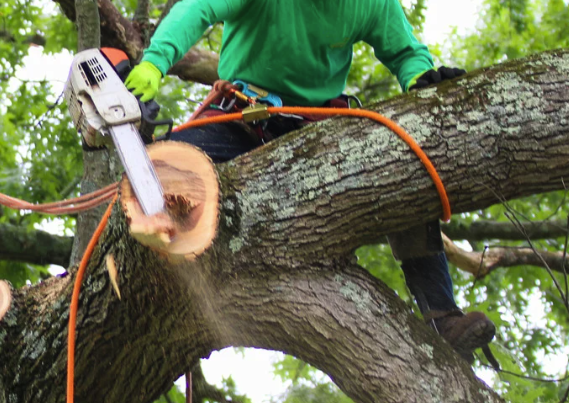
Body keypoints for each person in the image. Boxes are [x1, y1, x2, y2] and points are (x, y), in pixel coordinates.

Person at [124, 0, 496, 362]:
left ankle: (442, 317)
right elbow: (198, 8)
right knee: (166, 172)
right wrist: (156, 62)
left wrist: (419, 79)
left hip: (317, 135)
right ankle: (161, 285)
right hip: (242, 120)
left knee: (403, 167)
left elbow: (405, 52)